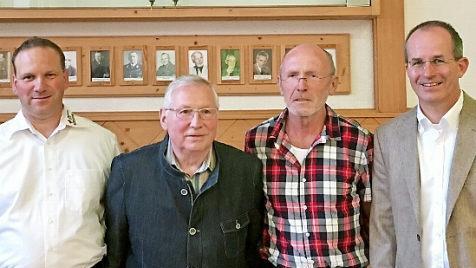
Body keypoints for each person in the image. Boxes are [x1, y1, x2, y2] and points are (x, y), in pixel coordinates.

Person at [105, 75, 264, 267]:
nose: (196, 123)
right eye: (185, 111)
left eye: (206, 111)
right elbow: (116, 253)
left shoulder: (246, 170)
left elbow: (252, 251)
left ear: (217, 116)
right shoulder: (128, 171)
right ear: (164, 118)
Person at [245, 44, 373, 267]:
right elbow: (253, 215)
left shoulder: (359, 141)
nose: (301, 85)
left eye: (312, 75)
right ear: (280, 83)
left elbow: (374, 218)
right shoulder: (257, 142)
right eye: (293, 75)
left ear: (333, 84)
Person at [0, 37, 120, 267]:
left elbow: (117, 219)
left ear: (65, 78)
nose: (39, 86)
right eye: (28, 77)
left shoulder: (102, 142)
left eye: (49, 75)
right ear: (14, 84)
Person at [370, 20, 476, 268]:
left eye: (438, 60)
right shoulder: (388, 138)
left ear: (461, 66)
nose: (427, 72)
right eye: (417, 62)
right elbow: (383, 228)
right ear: (407, 69)